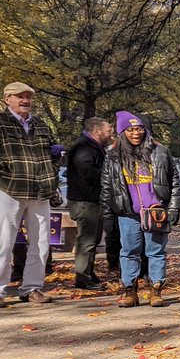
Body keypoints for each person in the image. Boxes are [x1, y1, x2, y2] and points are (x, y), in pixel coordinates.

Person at [0, 82, 59, 308]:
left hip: (40, 191)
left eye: (28, 97)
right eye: (20, 96)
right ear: (7, 99)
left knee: (42, 242)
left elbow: (53, 153)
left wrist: (53, 169)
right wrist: (1, 176)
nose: (25, 100)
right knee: (4, 241)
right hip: (10, 190)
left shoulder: (41, 125)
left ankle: (32, 288)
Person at [99, 111, 180, 307]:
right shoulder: (112, 156)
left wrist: (173, 209)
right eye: (131, 129)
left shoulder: (160, 152)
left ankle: (156, 291)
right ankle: (130, 292)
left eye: (139, 129)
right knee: (128, 252)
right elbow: (106, 187)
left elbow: (174, 181)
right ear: (122, 132)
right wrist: (107, 216)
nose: (136, 133)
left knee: (156, 252)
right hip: (127, 213)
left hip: (156, 211)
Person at [66, 116, 115, 290]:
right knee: (87, 239)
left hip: (92, 200)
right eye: (109, 130)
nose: (111, 133)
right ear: (97, 131)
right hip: (85, 201)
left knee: (93, 239)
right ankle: (82, 276)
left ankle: (88, 272)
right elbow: (87, 172)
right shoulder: (83, 148)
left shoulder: (94, 147)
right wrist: (109, 176)